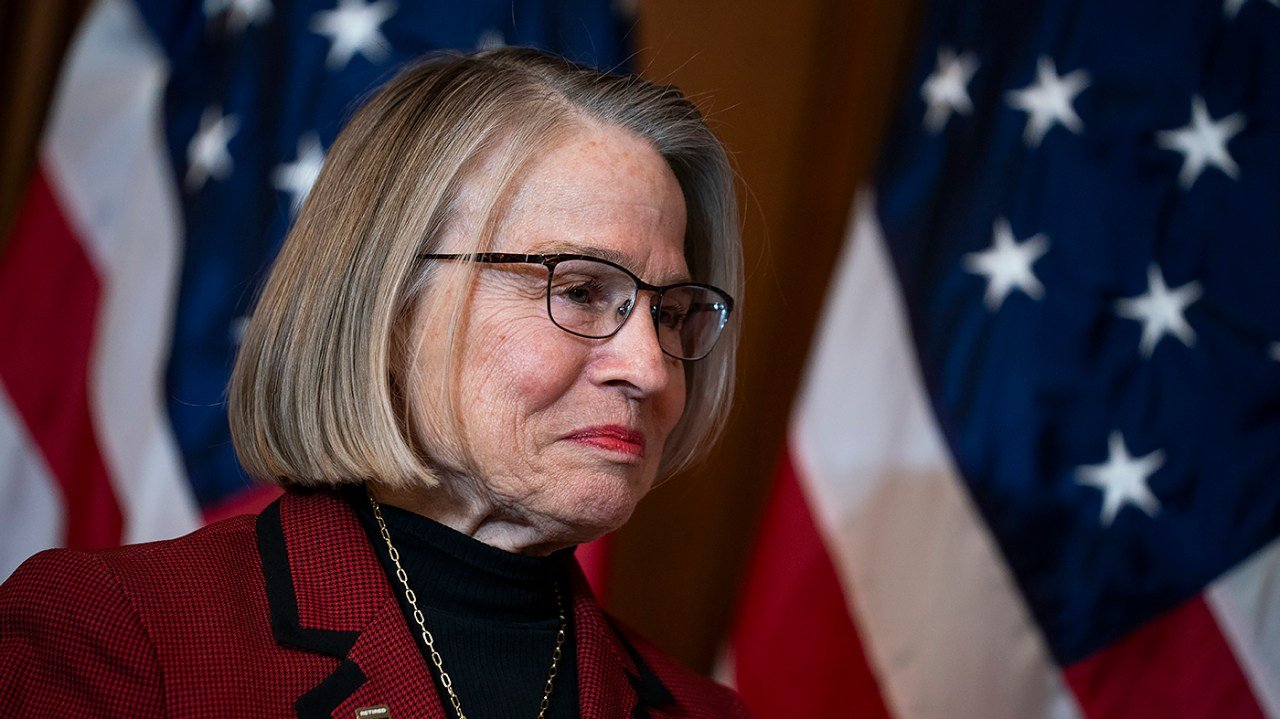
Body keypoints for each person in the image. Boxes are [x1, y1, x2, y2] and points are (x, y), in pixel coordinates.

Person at [0, 47, 747, 717]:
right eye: (580, 291)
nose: (650, 369)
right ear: (388, 306)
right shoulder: (118, 635)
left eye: (670, 314)